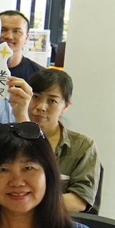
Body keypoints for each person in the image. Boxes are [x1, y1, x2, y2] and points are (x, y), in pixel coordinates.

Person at [27, 68, 100, 213]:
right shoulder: (8, 139)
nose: (41, 107)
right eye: (35, 96)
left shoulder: (82, 146)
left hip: (58, 222)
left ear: (65, 107)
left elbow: (79, 200)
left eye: (52, 101)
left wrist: (26, 202)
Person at [0, 10, 44, 83]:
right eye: (2, 30)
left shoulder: (40, 75)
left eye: (17, 31)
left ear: (27, 38)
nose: (9, 36)